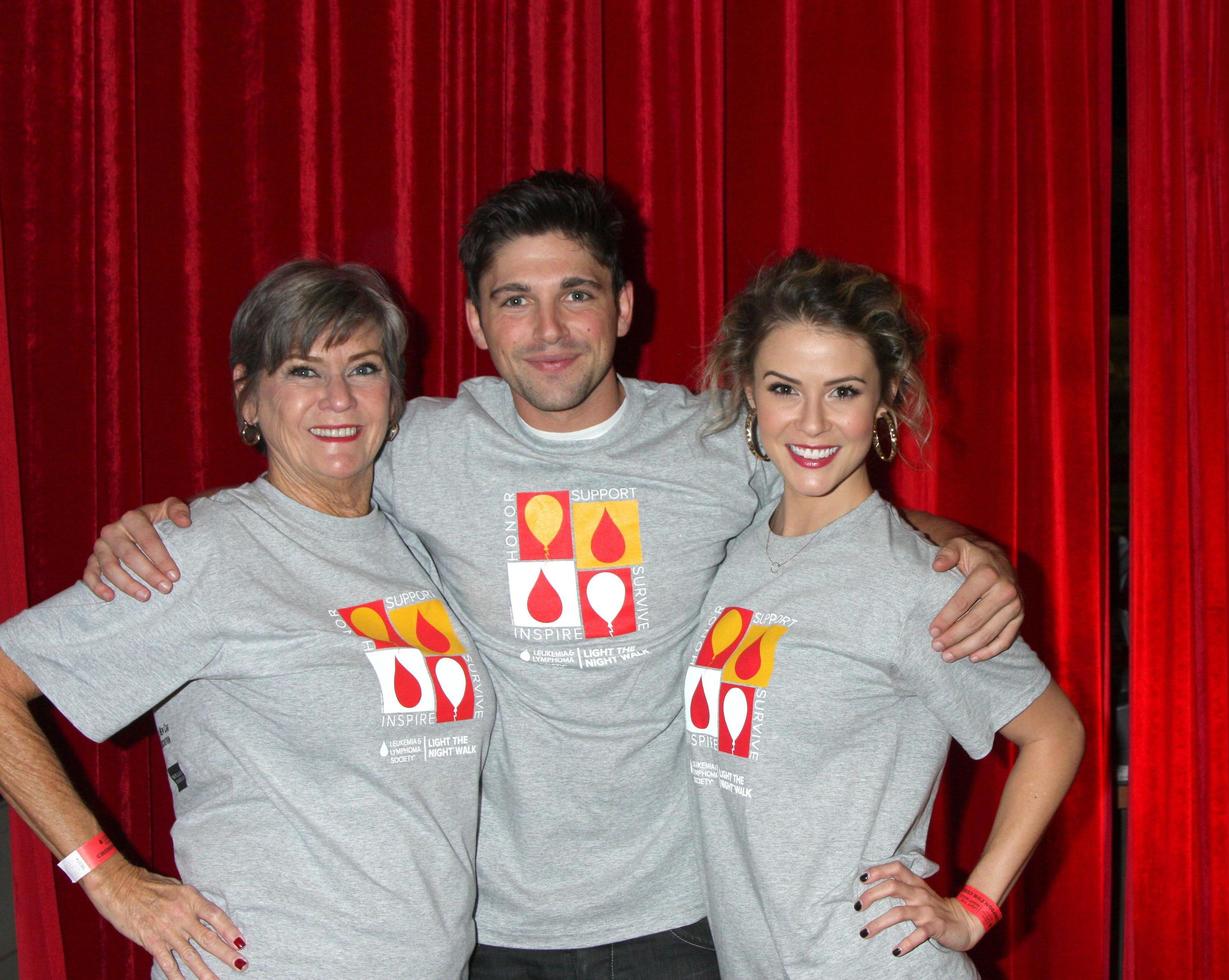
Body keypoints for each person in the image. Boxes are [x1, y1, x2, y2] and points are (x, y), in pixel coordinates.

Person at [82, 171, 1026, 977]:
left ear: (622, 306)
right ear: (473, 319)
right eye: (513, 299)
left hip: (682, 913)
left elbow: (832, 497)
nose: (548, 329)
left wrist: (952, 546)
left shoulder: (713, 440)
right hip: (484, 925)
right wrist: (158, 524)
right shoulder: (418, 445)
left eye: (576, 294)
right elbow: (301, 478)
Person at [0, 261, 493, 979]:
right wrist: (107, 878)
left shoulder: (412, 542)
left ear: (394, 393)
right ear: (249, 399)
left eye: (362, 368)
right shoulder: (204, 552)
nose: (337, 397)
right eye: (301, 370)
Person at [688, 249, 1084, 977]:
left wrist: (974, 910)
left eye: (842, 391)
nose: (811, 421)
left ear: (885, 399)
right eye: (784, 388)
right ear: (748, 391)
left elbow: (1056, 734)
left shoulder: (917, 584)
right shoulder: (733, 550)